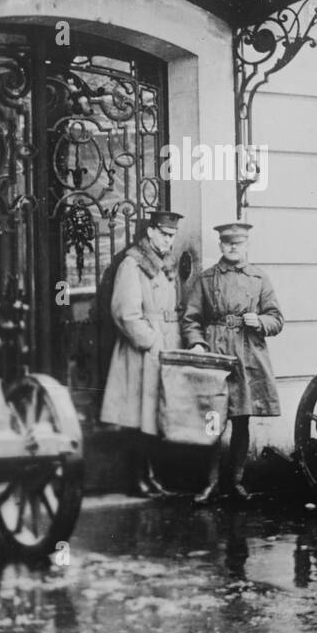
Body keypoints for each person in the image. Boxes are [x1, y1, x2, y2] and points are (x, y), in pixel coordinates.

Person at [181, 221, 284, 504]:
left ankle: (236, 482)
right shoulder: (207, 279)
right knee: (213, 419)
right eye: (228, 243)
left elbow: (277, 319)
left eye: (238, 243)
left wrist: (260, 321)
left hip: (248, 354)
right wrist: (197, 343)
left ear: (246, 244)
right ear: (221, 246)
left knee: (241, 420)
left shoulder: (259, 279)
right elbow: (190, 319)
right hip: (217, 353)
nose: (233, 247)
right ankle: (210, 483)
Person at [100, 211, 183, 496]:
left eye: (172, 236)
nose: (168, 240)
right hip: (141, 352)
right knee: (138, 417)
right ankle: (137, 478)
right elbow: (124, 312)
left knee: (155, 415)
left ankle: (150, 475)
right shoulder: (133, 264)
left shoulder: (167, 265)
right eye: (164, 234)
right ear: (150, 232)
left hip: (164, 348)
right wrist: (149, 341)